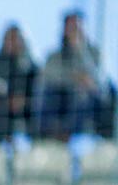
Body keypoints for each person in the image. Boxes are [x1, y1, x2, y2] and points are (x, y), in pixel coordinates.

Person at [40, 10, 115, 140]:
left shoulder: (94, 53)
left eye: (77, 26)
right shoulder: (54, 56)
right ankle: (56, 134)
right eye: (70, 27)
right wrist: (74, 78)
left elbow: (99, 81)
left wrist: (80, 49)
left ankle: (68, 134)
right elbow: (48, 75)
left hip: (90, 102)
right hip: (61, 100)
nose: (74, 31)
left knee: (82, 93)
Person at [0, 23, 37, 142]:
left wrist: (23, 101)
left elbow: (37, 91)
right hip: (2, 106)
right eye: (8, 39)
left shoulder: (30, 65)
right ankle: (0, 145)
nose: (11, 43)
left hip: (25, 109)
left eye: (14, 39)